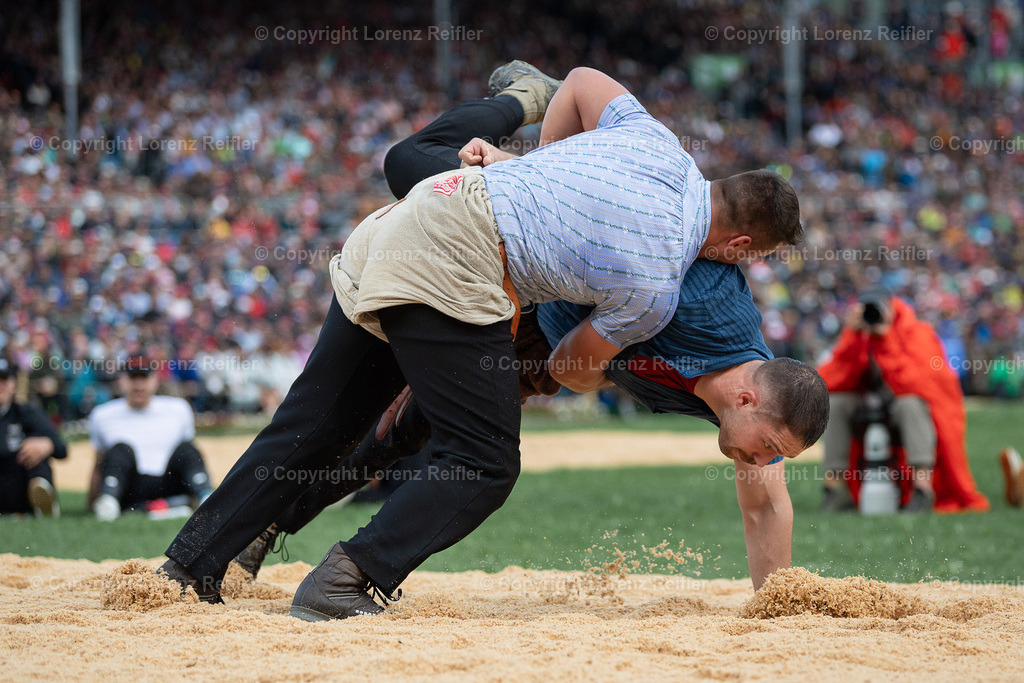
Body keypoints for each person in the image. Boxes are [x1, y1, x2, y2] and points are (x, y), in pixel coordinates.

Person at [158, 61, 809, 619]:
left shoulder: (659, 143)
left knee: (321, 420)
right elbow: (572, 368)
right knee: (484, 459)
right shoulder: (668, 289)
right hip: (468, 263)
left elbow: (580, 80)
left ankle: (189, 566)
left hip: (417, 215)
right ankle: (345, 577)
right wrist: (597, 352)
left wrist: (543, 169)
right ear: (740, 246)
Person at [817, 288, 989, 514]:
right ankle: (835, 489)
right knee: (837, 403)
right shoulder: (856, 335)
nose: (873, 315)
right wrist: (851, 340)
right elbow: (829, 380)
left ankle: (922, 489)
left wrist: (885, 338)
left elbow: (916, 384)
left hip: (902, 406)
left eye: (878, 309)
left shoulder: (917, 332)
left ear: (892, 307)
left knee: (910, 405)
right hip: (867, 404)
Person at [88, 355, 214, 521]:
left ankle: (208, 499)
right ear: (122, 381)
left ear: (154, 380)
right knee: (120, 449)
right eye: (133, 378)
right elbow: (99, 463)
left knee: (187, 449)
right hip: (130, 487)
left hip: (168, 481)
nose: (139, 385)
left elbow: (191, 457)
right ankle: (108, 503)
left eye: (144, 378)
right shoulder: (102, 415)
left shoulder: (179, 409)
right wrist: (91, 502)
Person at [0, 356, 67, 517]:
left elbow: (62, 450)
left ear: (13, 384)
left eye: (3, 380)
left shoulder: (27, 412)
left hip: (19, 483)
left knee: (36, 450)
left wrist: (47, 444)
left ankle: (43, 501)